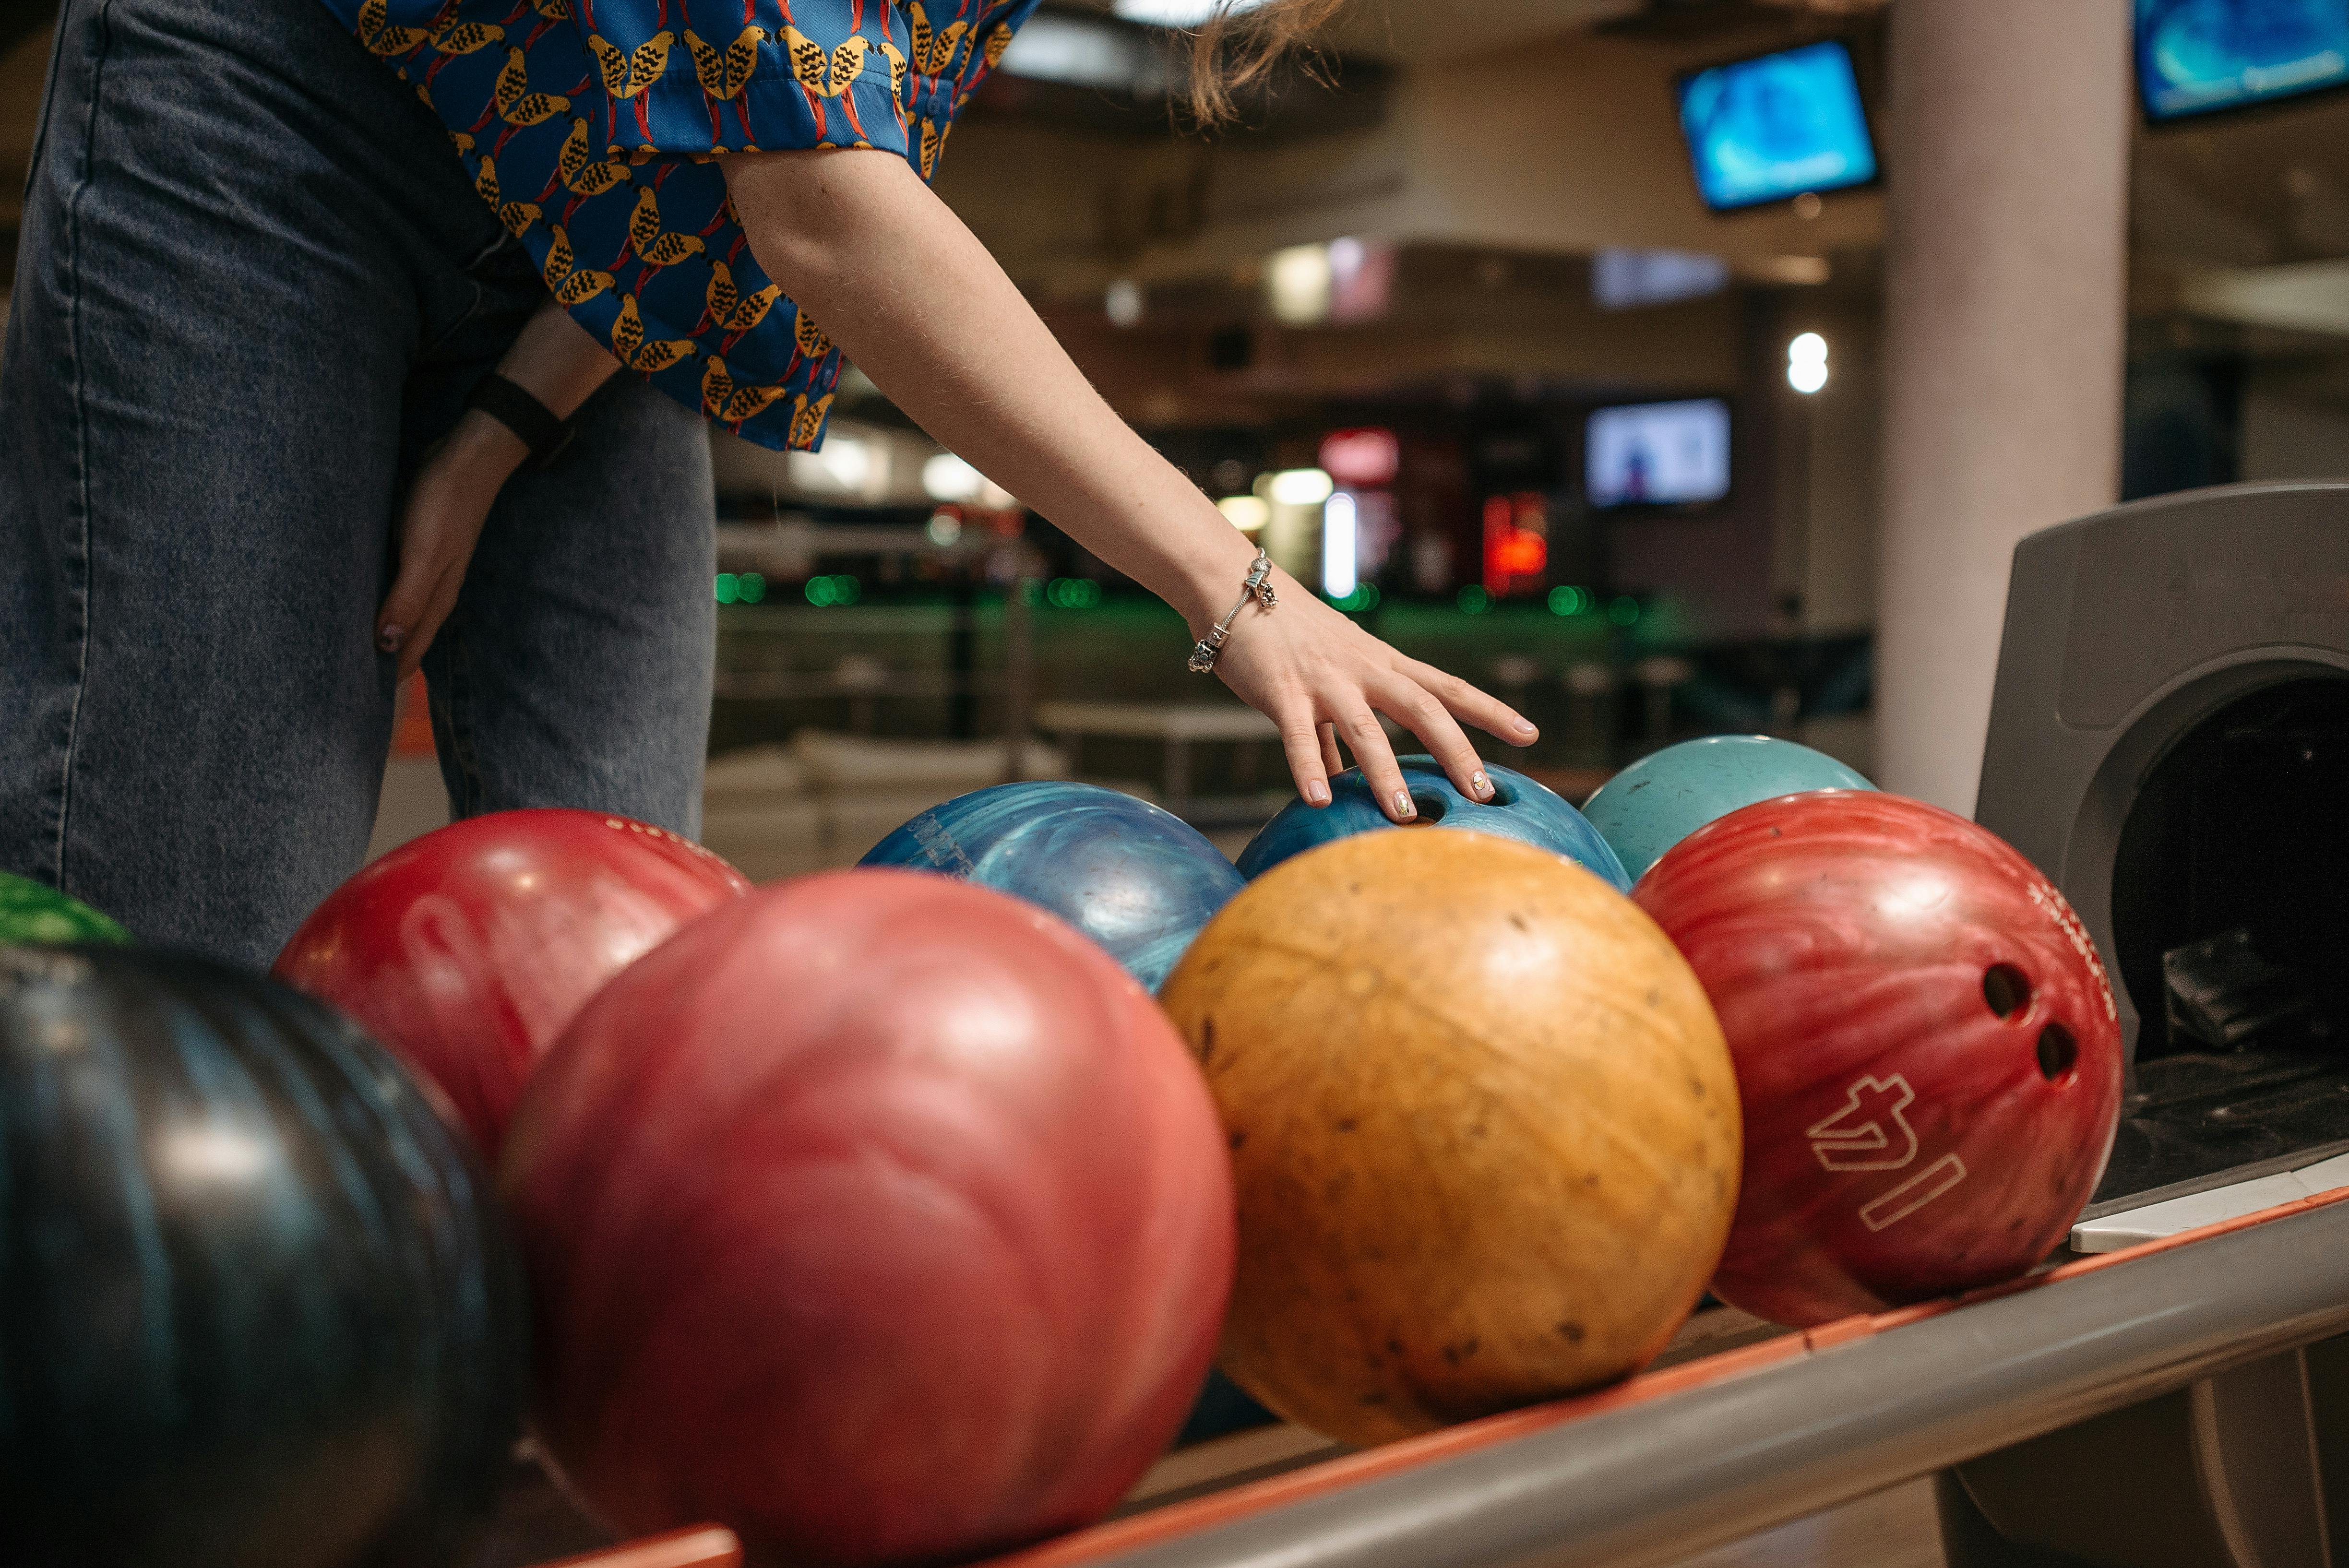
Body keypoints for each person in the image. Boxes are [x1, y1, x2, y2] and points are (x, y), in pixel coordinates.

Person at [0, 0, 1535, 967]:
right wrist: (1242, 585)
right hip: (273, 108)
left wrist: (500, 430)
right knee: (200, 934)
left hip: (574, 240)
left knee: (634, 945)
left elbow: (708, 182)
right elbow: (820, 205)